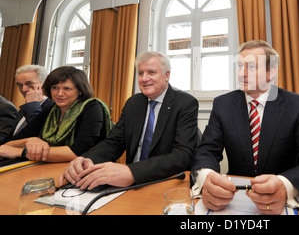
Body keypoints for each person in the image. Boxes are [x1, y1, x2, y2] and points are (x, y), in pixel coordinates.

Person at [191, 40, 299, 215]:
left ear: (270, 71)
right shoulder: (223, 104)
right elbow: (207, 151)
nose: (241, 73)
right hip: (235, 198)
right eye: (239, 66)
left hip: (282, 204)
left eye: (250, 67)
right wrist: (206, 177)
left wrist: (284, 185)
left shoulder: (296, 105)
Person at [59, 51, 199, 190]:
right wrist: (88, 158)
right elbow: (114, 142)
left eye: (151, 72)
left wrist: (133, 172)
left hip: (163, 182)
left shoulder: (185, 103)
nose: (144, 78)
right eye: (140, 73)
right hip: (127, 185)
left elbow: (182, 155)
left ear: (166, 75)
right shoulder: (133, 103)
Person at [0, 66, 111, 162]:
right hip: (48, 167)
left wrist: (22, 152)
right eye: (55, 88)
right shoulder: (51, 109)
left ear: (80, 90)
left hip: (87, 169)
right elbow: (7, 144)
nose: (60, 94)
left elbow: (77, 151)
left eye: (67, 88)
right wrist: (30, 140)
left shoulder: (92, 107)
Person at [2, 65, 54, 143]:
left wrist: (33, 104)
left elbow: (41, 134)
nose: (23, 89)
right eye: (20, 85)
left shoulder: (52, 107)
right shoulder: (26, 107)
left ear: (44, 84)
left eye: (29, 83)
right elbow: (12, 137)